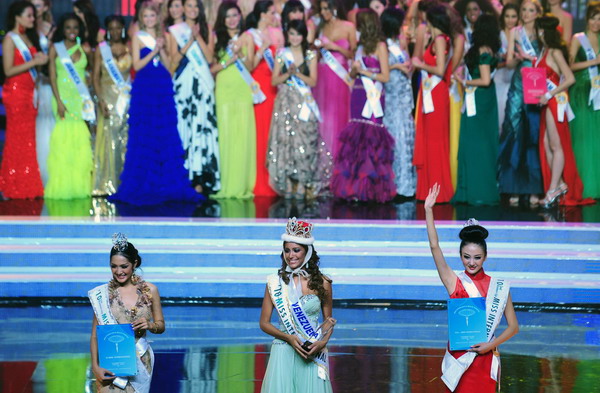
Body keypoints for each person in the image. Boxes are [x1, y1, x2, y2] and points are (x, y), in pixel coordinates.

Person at [424, 183, 519, 393]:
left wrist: (490, 345)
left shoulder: (498, 286)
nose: (472, 262)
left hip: (486, 358)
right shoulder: (453, 281)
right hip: (460, 358)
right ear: (460, 256)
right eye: (467, 257)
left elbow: (514, 326)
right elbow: (434, 247)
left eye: (477, 257)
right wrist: (428, 210)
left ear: (485, 257)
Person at [109, 1, 203, 205]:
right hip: (145, 87)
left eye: (152, 16)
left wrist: (161, 49)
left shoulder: (164, 37)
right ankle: (144, 183)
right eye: (146, 16)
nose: (149, 19)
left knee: (164, 135)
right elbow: (136, 65)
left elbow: (170, 66)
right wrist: (153, 51)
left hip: (162, 86)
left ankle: (166, 184)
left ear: (157, 18)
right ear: (141, 19)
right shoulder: (137, 38)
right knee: (145, 135)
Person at [259, 218, 334, 392]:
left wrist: (322, 344)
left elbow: (328, 320)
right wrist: (289, 338)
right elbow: (264, 323)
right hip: (283, 350)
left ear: (307, 251)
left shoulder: (323, 282)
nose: (291, 255)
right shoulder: (275, 282)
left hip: (311, 352)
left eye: (296, 250)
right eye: (287, 250)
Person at [331, 9, 395, 202]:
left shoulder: (381, 46)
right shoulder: (359, 47)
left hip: (373, 95)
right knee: (357, 140)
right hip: (358, 94)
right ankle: (353, 188)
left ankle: (370, 189)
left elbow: (385, 76)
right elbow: (352, 75)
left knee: (371, 138)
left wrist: (366, 72)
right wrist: (355, 71)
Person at [89, 233, 165, 393]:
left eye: (124, 266)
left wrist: (150, 325)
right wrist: (95, 366)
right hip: (111, 361)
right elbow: (95, 334)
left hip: (140, 359)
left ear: (134, 263)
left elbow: (161, 325)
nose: (118, 271)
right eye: (113, 266)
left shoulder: (150, 290)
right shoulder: (103, 294)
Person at [268, 19, 331, 199]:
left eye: (298, 34)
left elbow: (313, 81)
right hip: (286, 101)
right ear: (287, 35)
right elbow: (274, 81)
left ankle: (303, 182)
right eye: (292, 34)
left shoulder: (310, 54)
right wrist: (288, 73)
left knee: (305, 142)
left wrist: (297, 73)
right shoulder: (282, 53)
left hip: (303, 102)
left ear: (304, 36)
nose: (295, 38)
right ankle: (288, 183)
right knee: (285, 142)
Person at [535, 15, 592, 207]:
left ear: (544, 31)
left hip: (555, 102)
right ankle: (558, 184)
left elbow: (569, 78)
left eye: (540, 29)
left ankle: (553, 189)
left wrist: (550, 94)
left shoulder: (555, 52)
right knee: (547, 144)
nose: (538, 32)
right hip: (547, 102)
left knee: (555, 145)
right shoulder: (544, 51)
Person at [167, 0, 221, 195]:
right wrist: (188, 41)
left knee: (202, 127)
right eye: (188, 6)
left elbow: (208, 59)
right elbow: (173, 61)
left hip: (202, 85)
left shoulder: (207, 30)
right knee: (184, 127)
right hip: (183, 84)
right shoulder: (174, 31)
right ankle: (183, 176)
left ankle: (200, 177)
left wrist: (197, 37)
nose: (191, 10)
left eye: (195, 6)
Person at [498, 0, 543, 206]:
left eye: (530, 10)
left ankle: (535, 189)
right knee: (514, 131)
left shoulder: (543, 32)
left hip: (538, 85)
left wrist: (532, 59)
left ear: (538, 13)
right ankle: (513, 188)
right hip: (518, 84)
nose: (525, 13)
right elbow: (508, 62)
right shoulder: (515, 31)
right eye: (523, 10)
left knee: (533, 133)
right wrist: (520, 57)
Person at [210, 1, 257, 199]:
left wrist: (240, 56)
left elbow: (252, 66)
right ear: (222, 18)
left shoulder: (247, 37)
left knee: (242, 135)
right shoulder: (215, 38)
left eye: (235, 15)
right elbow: (211, 69)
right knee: (226, 135)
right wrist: (227, 60)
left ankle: (242, 185)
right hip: (224, 89)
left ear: (240, 16)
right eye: (227, 16)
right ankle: (226, 184)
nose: (231, 20)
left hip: (242, 89)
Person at [452, 14, 500, 205]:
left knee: (476, 143)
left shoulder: (482, 51)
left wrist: (464, 81)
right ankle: (474, 189)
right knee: (482, 142)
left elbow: (485, 80)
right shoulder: (490, 50)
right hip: (483, 98)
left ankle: (476, 191)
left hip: (479, 97)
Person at [0, 0, 46, 199]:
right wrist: (34, 62)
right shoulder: (10, 39)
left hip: (30, 93)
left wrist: (40, 65)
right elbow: (8, 70)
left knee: (28, 140)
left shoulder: (27, 37)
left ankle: (27, 183)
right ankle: (13, 184)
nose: (32, 18)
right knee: (16, 139)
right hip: (16, 93)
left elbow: (32, 69)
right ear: (17, 16)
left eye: (33, 15)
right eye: (28, 15)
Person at [45, 12, 93, 200]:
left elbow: (90, 74)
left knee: (79, 141)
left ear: (79, 29)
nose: (72, 31)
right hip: (62, 99)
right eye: (68, 27)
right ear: (62, 30)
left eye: (75, 27)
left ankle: (78, 185)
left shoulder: (85, 49)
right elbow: (52, 77)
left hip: (79, 99)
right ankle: (63, 184)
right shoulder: (55, 49)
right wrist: (58, 101)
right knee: (63, 141)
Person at [412, 5, 454, 202]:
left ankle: (437, 189)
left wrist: (420, 64)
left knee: (435, 140)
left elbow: (439, 69)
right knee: (430, 139)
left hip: (436, 92)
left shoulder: (439, 39)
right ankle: (429, 189)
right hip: (431, 92)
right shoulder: (438, 39)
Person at [246, 0, 283, 198]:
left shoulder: (276, 33)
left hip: (273, 86)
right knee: (259, 132)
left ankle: (273, 179)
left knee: (271, 133)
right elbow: (249, 65)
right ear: (262, 14)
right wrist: (263, 48)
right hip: (258, 87)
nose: (274, 16)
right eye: (271, 13)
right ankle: (258, 181)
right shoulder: (250, 35)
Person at [92, 15, 131, 196]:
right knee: (108, 140)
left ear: (123, 29)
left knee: (125, 140)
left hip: (127, 99)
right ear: (107, 30)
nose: (115, 31)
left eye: (118, 28)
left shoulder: (129, 47)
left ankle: (125, 182)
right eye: (111, 28)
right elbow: (95, 78)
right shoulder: (101, 50)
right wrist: (100, 100)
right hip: (107, 98)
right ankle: (107, 182)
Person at [312, 0, 357, 162]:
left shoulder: (348, 26)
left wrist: (335, 47)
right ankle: (322, 161)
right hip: (322, 75)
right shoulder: (321, 27)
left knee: (337, 114)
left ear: (335, 7)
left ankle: (339, 161)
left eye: (326, 8)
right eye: (322, 9)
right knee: (323, 115)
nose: (323, 12)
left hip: (340, 78)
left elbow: (354, 54)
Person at [381, 7, 416, 198]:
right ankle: (395, 184)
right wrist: (397, 66)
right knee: (396, 136)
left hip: (404, 94)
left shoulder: (399, 43)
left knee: (406, 136)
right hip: (392, 95)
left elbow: (408, 68)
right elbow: (383, 68)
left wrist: (406, 59)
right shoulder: (384, 45)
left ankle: (406, 183)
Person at [568, 1, 600, 200]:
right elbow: (569, 66)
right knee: (582, 140)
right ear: (587, 19)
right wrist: (594, 62)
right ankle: (584, 186)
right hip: (581, 92)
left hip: (598, 94)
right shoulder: (578, 38)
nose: (597, 22)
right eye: (594, 18)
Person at [32, 0, 55, 187]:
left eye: (38, 5)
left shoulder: (51, 28)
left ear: (46, 7)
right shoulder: (25, 31)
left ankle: (48, 170)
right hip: (31, 82)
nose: (34, 9)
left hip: (47, 82)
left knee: (48, 122)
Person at [494, 3, 518, 131]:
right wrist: (506, 61)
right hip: (499, 77)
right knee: (500, 114)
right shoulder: (498, 35)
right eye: (507, 16)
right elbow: (491, 61)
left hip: (516, 77)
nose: (510, 20)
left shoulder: (521, 35)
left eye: (513, 16)